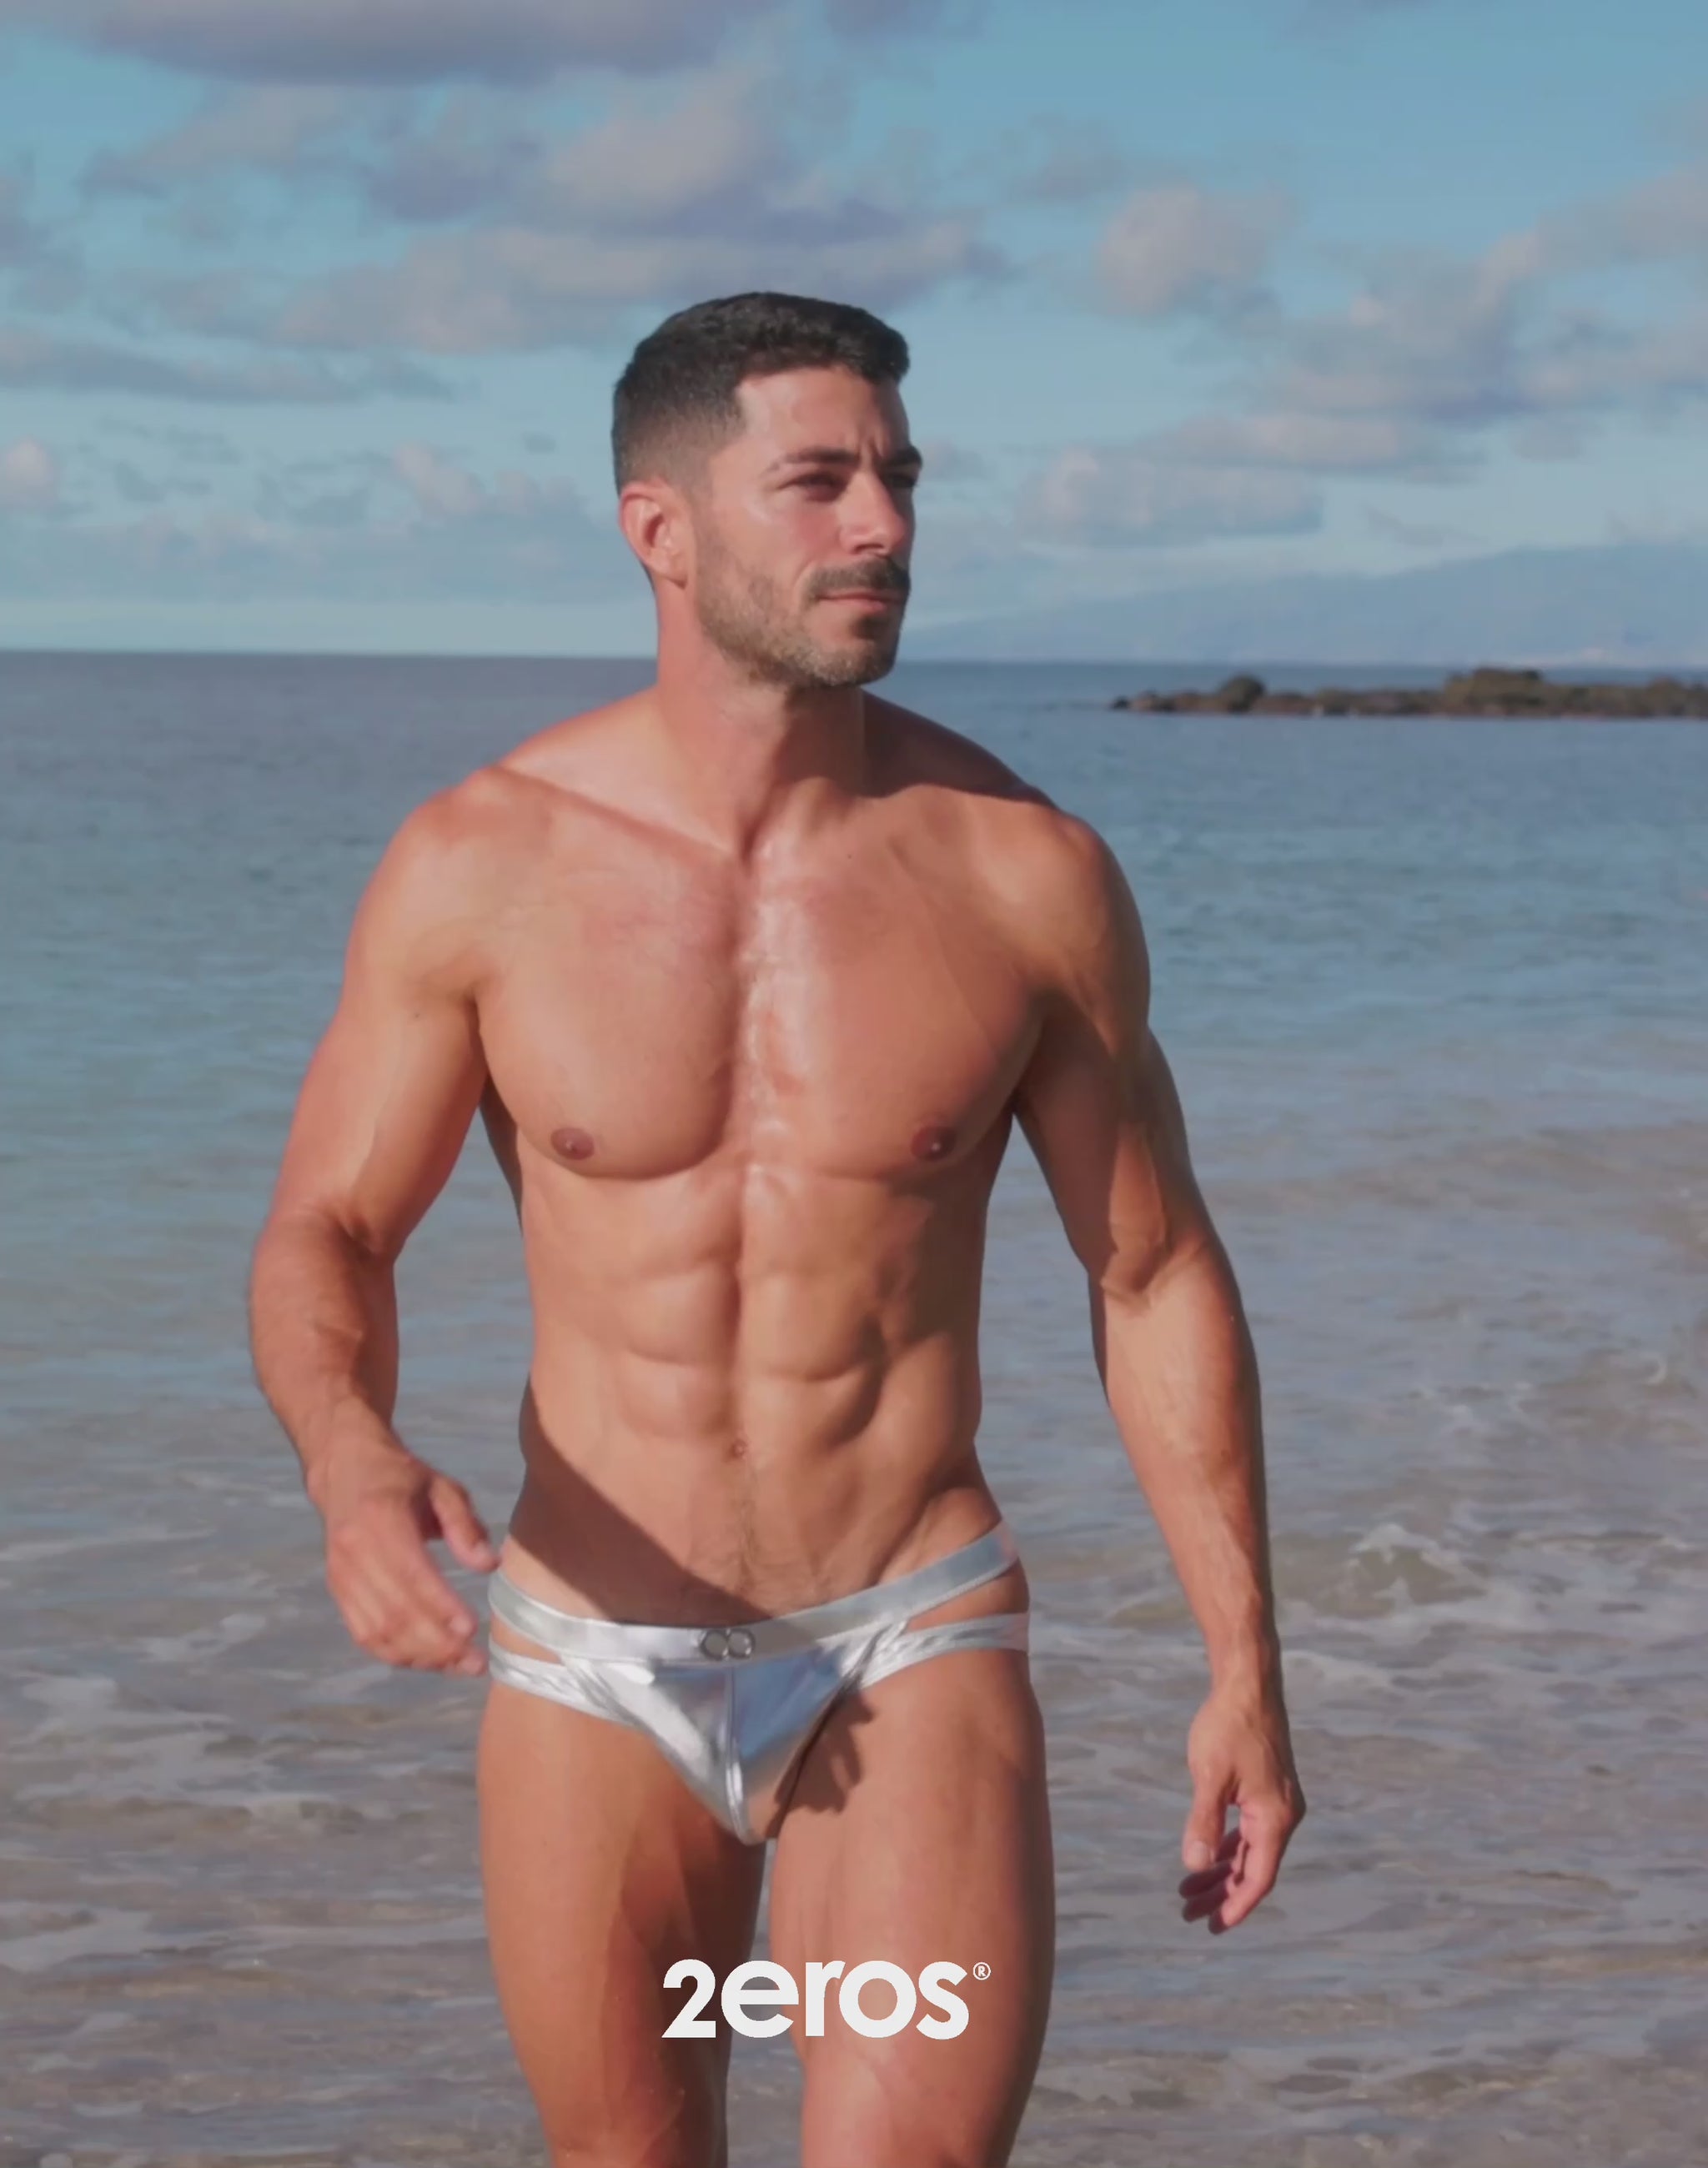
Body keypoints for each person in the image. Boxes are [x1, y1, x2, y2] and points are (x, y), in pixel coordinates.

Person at [249, 291, 1304, 2168]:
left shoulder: (1024, 874)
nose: (884, 525)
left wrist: (1245, 1666)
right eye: (819, 482)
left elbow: (1149, 1273)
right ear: (661, 530)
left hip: (904, 1624)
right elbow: (329, 1224)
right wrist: (348, 1459)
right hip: (592, 1651)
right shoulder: (482, 866)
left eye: (899, 477)